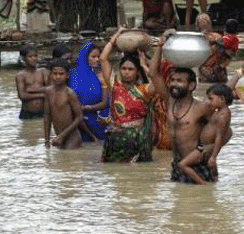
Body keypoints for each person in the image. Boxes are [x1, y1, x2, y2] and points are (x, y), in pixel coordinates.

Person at [150, 31, 216, 183]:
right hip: (177, 166)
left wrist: (208, 151)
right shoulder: (169, 101)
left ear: (192, 85)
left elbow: (226, 132)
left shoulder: (202, 108)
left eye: (180, 81)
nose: (174, 84)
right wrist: (160, 46)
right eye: (172, 80)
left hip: (197, 167)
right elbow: (153, 73)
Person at [99, 28, 156, 162]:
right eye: (124, 69)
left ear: (137, 72)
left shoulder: (144, 90)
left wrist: (145, 65)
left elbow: (157, 80)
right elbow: (103, 58)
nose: (126, 72)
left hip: (137, 140)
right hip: (115, 139)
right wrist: (117, 35)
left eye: (130, 69)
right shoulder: (115, 86)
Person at [177, 83, 233, 185]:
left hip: (204, 148)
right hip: (206, 147)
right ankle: (214, 183)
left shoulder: (223, 115)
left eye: (211, 98)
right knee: (212, 171)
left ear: (222, 99)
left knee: (183, 165)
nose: (208, 101)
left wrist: (214, 156)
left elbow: (219, 136)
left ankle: (203, 185)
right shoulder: (219, 111)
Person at [44, 59, 97, 149]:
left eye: (61, 74)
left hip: (72, 138)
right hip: (59, 138)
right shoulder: (48, 92)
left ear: (67, 75)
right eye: (55, 73)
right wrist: (46, 140)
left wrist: (62, 136)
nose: (57, 77)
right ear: (50, 75)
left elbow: (79, 117)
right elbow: (47, 116)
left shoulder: (70, 93)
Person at [68, 43, 109, 142]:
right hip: (79, 121)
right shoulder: (72, 75)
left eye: (98, 56)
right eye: (93, 56)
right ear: (85, 57)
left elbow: (106, 102)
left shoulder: (101, 74)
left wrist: (103, 83)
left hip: (98, 121)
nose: (97, 59)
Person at [198, 16, 240, 83]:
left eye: (205, 21)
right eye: (201, 22)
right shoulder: (232, 39)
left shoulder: (222, 38)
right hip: (213, 69)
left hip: (216, 69)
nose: (203, 23)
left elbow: (222, 44)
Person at [15, 44, 49, 120]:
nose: (34, 58)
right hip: (27, 113)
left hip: (42, 112)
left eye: (35, 56)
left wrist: (31, 90)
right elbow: (22, 96)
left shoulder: (43, 71)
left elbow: (50, 89)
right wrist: (42, 95)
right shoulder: (21, 75)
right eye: (30, 56)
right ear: (23, 58)